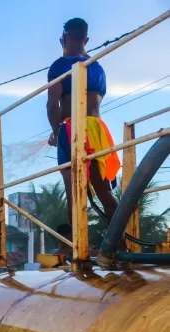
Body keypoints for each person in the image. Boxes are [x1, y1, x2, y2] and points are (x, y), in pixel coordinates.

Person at [47, 18, 120, 230]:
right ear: (86, 39)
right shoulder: (97, 67)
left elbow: (52, 106)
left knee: (74, 193)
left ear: (65, 36)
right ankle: (120, 247)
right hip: (98, 129)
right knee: (104, 192)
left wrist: (56, 131)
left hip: (72, 128)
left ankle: (80, 252)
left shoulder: (60, 65)